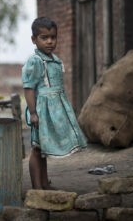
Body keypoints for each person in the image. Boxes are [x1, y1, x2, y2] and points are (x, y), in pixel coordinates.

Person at [22, 16, 87, 190]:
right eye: (44, 38)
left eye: (53, 37)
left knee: (44, 150)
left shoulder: (55, 60)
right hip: (41, 111)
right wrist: (33, 112)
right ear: (34, 40)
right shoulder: (35, 61)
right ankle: (37, 188)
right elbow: (28, 88)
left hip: (54, 111)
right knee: (37, 149)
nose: (50, 41)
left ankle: (45, 183)